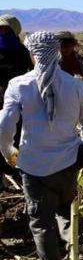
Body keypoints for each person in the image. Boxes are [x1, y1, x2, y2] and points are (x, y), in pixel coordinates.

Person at [0, 31, 83, 260]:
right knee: (67, 214)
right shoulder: (76, 85)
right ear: (56, 53)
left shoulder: (19, 85)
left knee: (41, 224)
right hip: (68, 162)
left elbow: (5, 124)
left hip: (34, 165)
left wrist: (8, 151)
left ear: (33, 54)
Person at [0, 14, 32, 178]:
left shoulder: (24, 52)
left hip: (18, 99)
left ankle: (17, 167)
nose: (3, 32)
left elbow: (32, 73)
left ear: (15, 30)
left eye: (6, 29)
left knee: (17, 131)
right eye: (0, 29)